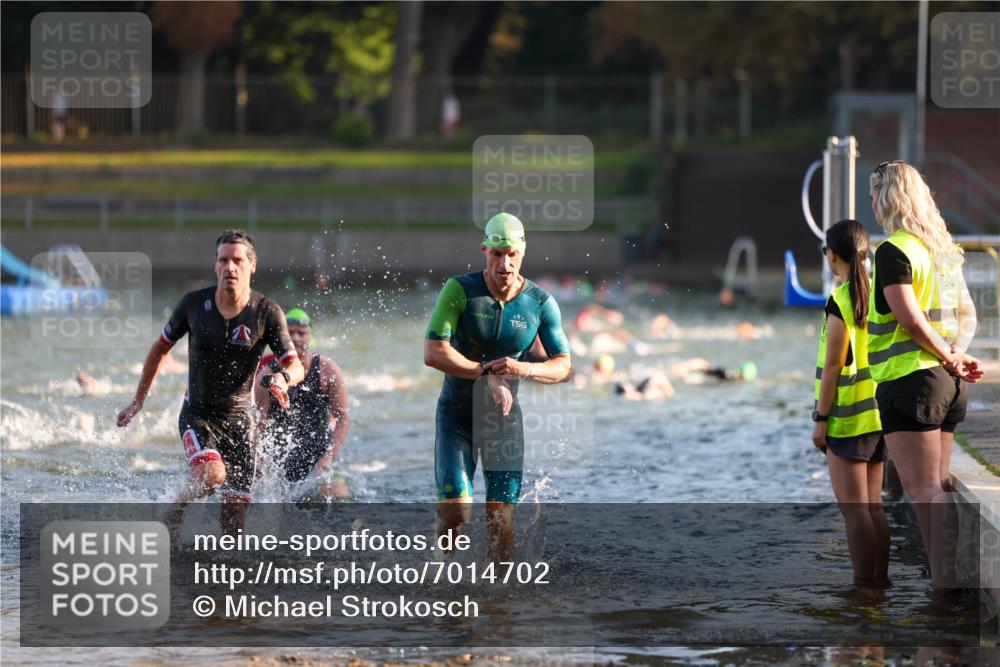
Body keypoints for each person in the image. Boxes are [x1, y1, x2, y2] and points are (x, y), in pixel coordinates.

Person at [117, 230, 305, 534]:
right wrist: (139, 400)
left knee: (233, 531)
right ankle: (175, 506)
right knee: (213, 474)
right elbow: (160, 348)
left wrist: (283, 379)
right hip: (198, 415)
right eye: (223, 260)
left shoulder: (266, 312)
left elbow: (295, 365)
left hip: (243, 424)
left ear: (251, 266)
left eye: (237, 261)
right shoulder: (193, 305)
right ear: (215, 266)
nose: (230, 267)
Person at [423, 212, 572, 560]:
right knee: (456, 512)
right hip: (456, 418)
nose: (504, 265)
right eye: (496, 255)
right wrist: (485, 374)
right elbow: (433, 352)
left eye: (511, 255)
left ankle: (499, 607)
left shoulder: (540, 303)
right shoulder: (460, 290)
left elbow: (563, 366)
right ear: (484, 252)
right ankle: (442, 582)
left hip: (502, 424)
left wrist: (521, 368)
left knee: (501, 519)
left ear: (522, 254)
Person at [866, 161, 984, 588]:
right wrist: (956, 355)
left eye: (874, 194)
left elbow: (912, 323)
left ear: (888, 196)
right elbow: (968, 315)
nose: (872, 203)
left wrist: (948, 358)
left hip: (910, 382)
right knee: (938, 486)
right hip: (947, 386)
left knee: (923, 491)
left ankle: (944, 586)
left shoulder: (893, 250)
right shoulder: (942, 249)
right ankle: (950, 580)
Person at [811, 220, 889, 586]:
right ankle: (880, 585)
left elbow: (833, 365)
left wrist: (820, 418)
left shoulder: (840, 301)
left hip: (846, 419)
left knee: (854, 511)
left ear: (832, 255)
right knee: (874, 507)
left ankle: (863, 591)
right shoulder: (877, 293)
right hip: (878, 413)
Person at [255, 307, 351, 500]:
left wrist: (328, 458)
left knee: (337, 496)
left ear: (310, 337)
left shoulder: (327, 371)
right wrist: (258, 459)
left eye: (302, 333)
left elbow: (343, 419)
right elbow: (258, 421)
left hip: (319, 454)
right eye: (290, 333)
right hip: (280, 457)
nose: (296, 338)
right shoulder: (267, 375)